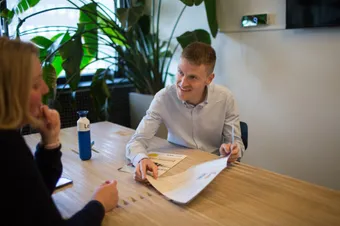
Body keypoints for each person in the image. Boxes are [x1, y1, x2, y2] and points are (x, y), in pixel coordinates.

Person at [0, 37, 118, 226]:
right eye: (36, 84)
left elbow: (32, 198)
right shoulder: (7, 146)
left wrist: (50, 143)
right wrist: (99, 204)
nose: (46, 88)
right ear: (9, 92)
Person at [126, 42, 245, 182]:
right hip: (177, 167)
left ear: (209, 79)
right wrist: (141, 159)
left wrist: (233, 151)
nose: (182, 83)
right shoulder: (164, 98)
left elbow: (237, 144)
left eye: (192, 77)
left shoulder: (225, 98)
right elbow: (136, 141)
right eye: (180, 73)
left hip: (212, 169)